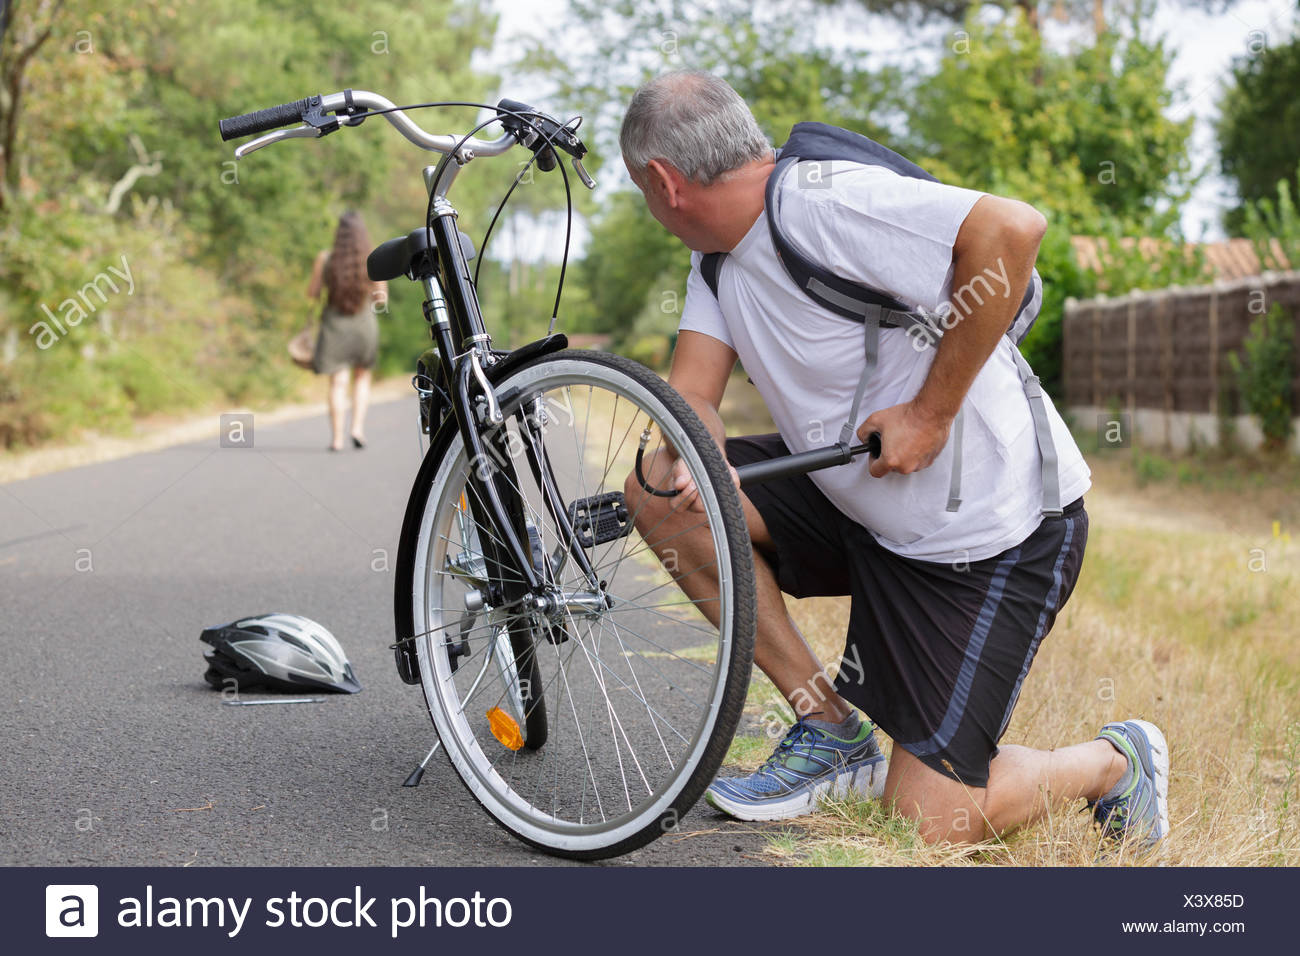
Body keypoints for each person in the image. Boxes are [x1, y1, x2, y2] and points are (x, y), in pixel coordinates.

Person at [620, 71, 1170, 849]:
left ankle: (1116, 762)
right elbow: (691, 399)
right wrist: (695, 456)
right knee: (658, 496)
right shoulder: (716, 259)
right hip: (862, 508)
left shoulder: (822, 202)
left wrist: (930, 413)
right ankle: (828, 731)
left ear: (664, 182)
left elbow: (1012, 229)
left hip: (989, 541)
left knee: (926, 826)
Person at [307, 210, 388, 451]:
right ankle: (357, 429)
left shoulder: (325, 258)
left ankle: (337, 439)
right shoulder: (372, 260)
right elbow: (381, 298)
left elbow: (312, 293)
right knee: (362, 378)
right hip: (364, 324)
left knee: (338, 382)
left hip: (335, 325)